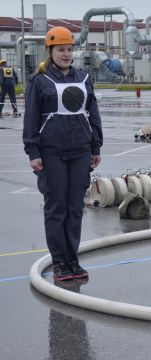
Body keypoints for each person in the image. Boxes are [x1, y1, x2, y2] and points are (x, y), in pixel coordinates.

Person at [23, 26, 103, 281]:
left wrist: (95, 146)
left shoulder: (83, 78)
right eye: (61, 50)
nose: (66, 54)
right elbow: (31, 119)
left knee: (75, 208)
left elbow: (93, 113)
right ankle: (59, 262)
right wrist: (33, 151)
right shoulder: (40, 80)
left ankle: (73, 260)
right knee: (56, 208)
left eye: (69, 49)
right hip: (52, 153)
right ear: (50, 51)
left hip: (80, 151)